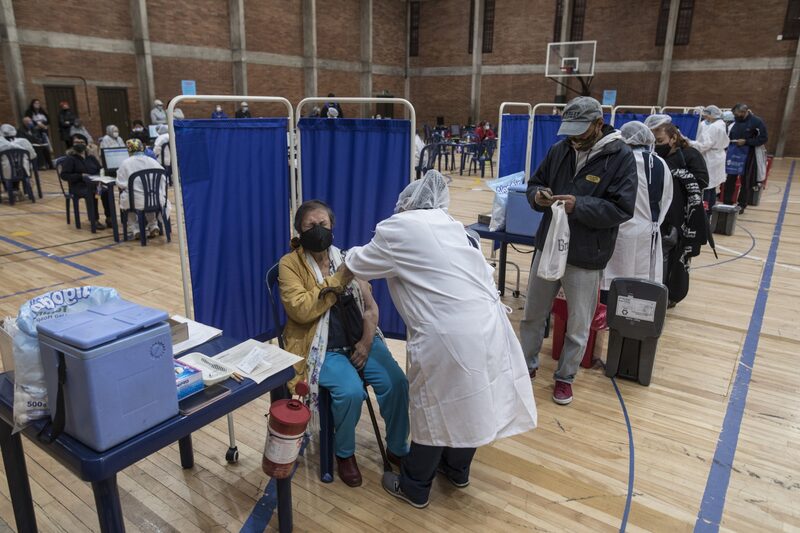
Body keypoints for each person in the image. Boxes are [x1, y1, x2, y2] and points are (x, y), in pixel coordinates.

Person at [340, 170, 536, 508]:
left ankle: (414, 487)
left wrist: (335, 270)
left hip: (449, 335)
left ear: (406, 204)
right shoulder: (455, 228)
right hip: (488, 328)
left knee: (435, 407)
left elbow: (357, 262)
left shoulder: (399, 228)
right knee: (472, 399)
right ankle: (456, 470)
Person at [278, 200, 410, 488]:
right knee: (350, 392)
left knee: (397, 382)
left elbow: (371, 308)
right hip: (319, 347)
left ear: (333, 227)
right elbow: (300, 309)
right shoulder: (290, 265)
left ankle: (398, 448)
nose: (318, 230)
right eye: (310, 226)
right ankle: (344, 453)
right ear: (299, 232)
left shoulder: (350, 258)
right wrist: (337, 281)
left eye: (323, 224)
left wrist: (365, 342)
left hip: (359, 339)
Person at [519, 96, 637, 405]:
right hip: (548, 247)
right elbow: (535, 183)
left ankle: (565, 377)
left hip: (586, 254)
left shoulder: (621, 157)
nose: (574, 137)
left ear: (599, 124)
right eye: (569, 130)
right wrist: (538, 197)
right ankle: (525, 366)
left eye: (580, 130)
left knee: (578, 323)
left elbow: (622, 208)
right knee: (533, 313)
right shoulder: (560, 150)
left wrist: (578, 205)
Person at [602, 122, 673, 299]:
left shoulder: (616, 160)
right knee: (641, 283)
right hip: (647, 231)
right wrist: (654, 223)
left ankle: (608, 317)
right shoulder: (659, 163)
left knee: (612, 280)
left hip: (617, 228)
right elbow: (666, 198)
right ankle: (634, 321)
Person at [653, 124, 708, 307]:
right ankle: (657, 291)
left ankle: (670, 294)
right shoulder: (656, 158)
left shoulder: (691, 155)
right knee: (660, 255)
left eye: (660, 141)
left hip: (681, 216)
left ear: (673, 138)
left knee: (676, 256)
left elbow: (702, 180)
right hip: (660, 214)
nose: (657, 145)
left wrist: (679, 177)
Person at [116, 138, 170, 239]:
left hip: (135, 201)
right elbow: (164, 179)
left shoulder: (125, 163)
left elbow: (120, 184)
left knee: (126, 200)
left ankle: (135, 229)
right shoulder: (153, 161)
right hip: (156, 200)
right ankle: (153, 225)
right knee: (148, 197)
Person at [59, 133, 111, 229]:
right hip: (79, 187)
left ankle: (109, 218)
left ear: (86, 144)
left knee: (106, 191)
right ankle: (94, 220)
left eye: (81, 142)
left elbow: (100, 169)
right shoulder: (70, 159)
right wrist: (80, 176)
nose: (79, 144)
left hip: (95, 184)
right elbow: (64, 175)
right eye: (76, 142)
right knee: (92, 193)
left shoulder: (90, 158)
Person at [724, 103, 768, 212]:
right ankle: (727, 202)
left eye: (737, 114)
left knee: (746, 180)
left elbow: (763, 138)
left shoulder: (757, 122)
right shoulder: (733, 121)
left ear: (744, 112)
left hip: (749, 154)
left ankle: (742, 204)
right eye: (734, 114)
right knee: (730, 178)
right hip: (733, 153)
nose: (736, 116)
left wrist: (747, 142)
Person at [690, 105, 729, 212]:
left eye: (706, 115)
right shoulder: (721, 124)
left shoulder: (713, 127)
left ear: (712, 115)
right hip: (718, 155)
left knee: (707, 185)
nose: (705, 118)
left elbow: (704, 145)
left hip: (711, 157)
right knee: (713, 186)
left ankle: (705, 211)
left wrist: (689, 143)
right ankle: (710, 210)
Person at [0, 124, 38, 195]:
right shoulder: (24, 141)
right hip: (23, 172)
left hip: (5, 174)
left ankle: (9, 190)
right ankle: (18, 190)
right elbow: (33, 156)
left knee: (5, 169)